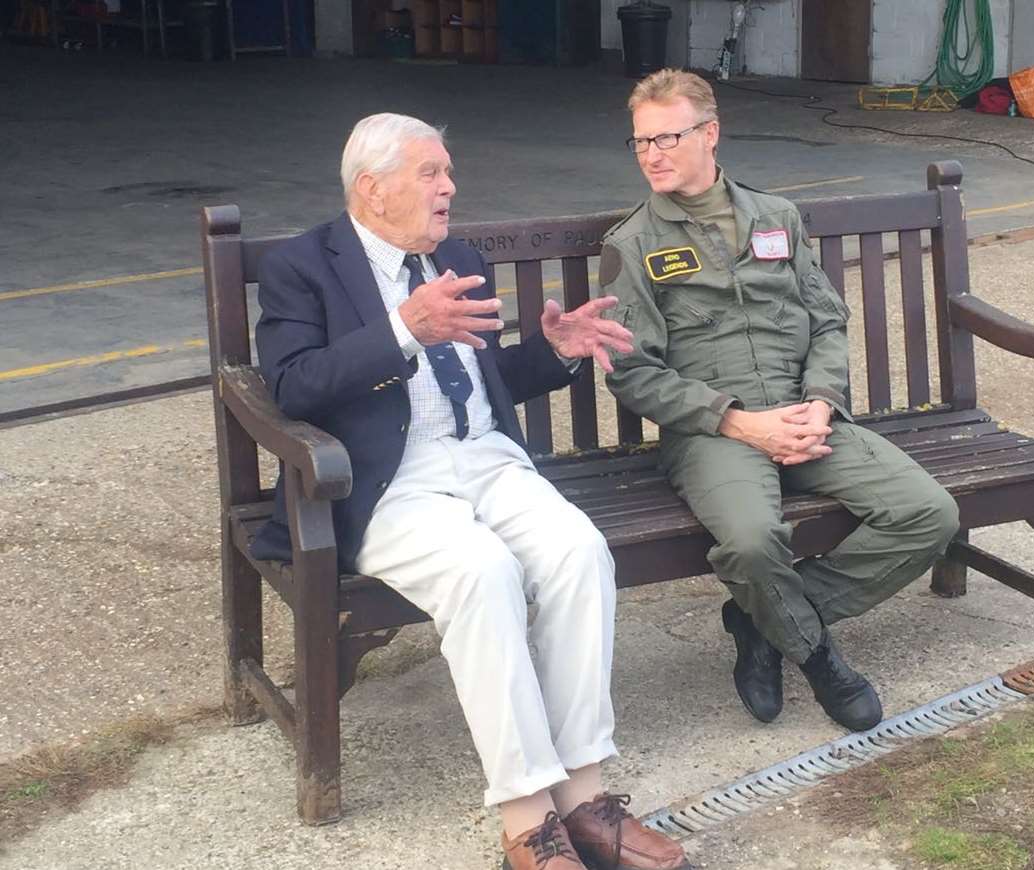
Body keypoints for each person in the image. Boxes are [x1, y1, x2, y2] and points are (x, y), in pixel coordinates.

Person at [252, 113, 690, 870]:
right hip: (388, 479)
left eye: (448, 172)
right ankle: (528, 821)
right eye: (431, 173)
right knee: (482, 573)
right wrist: (402, 329)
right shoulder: (305, 266)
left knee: (580, 553)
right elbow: (291, 388)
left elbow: (486, 387)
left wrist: (551, 352)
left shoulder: (452, 254)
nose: (450, 186)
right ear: (372, 188)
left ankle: (585, 798)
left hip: (485, 459)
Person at [600, 70, 961, 731]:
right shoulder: (634, 244)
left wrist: (822, 402)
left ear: (710, 134)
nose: (652, 153)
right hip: (714, 434)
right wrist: (737, 421)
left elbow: (827, 321)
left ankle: (759, 621)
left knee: (929, 515)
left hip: (805, 415)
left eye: (667, 137)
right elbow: (631, 372)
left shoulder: (778, 219)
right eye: (640, 142)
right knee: (752, 540)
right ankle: (823, 661)